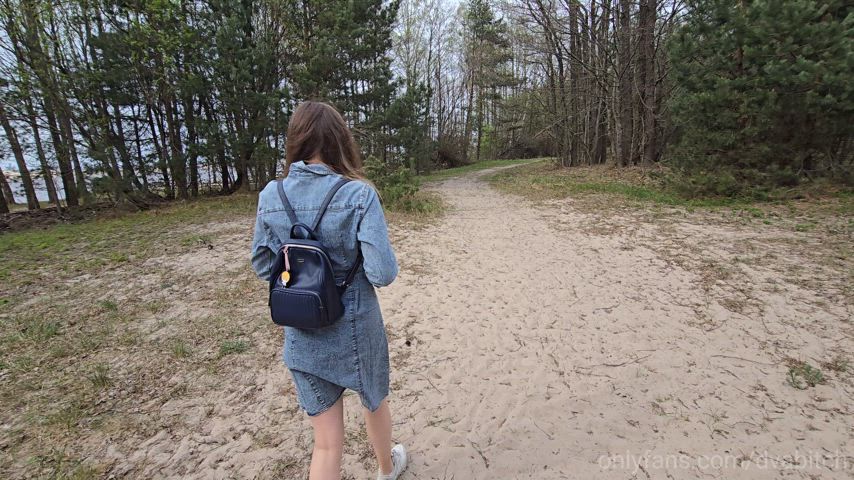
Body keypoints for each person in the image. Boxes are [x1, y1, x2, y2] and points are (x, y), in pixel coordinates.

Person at [250, 101, 407, 480]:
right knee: (373, 400)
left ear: (295, 142)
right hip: (356, 327)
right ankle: (387, 469)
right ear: (340, 142)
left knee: (326, 444)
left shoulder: (272, 196)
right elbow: (382, 273)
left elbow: (261, 265)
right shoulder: (358, 194)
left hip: (302, 332)